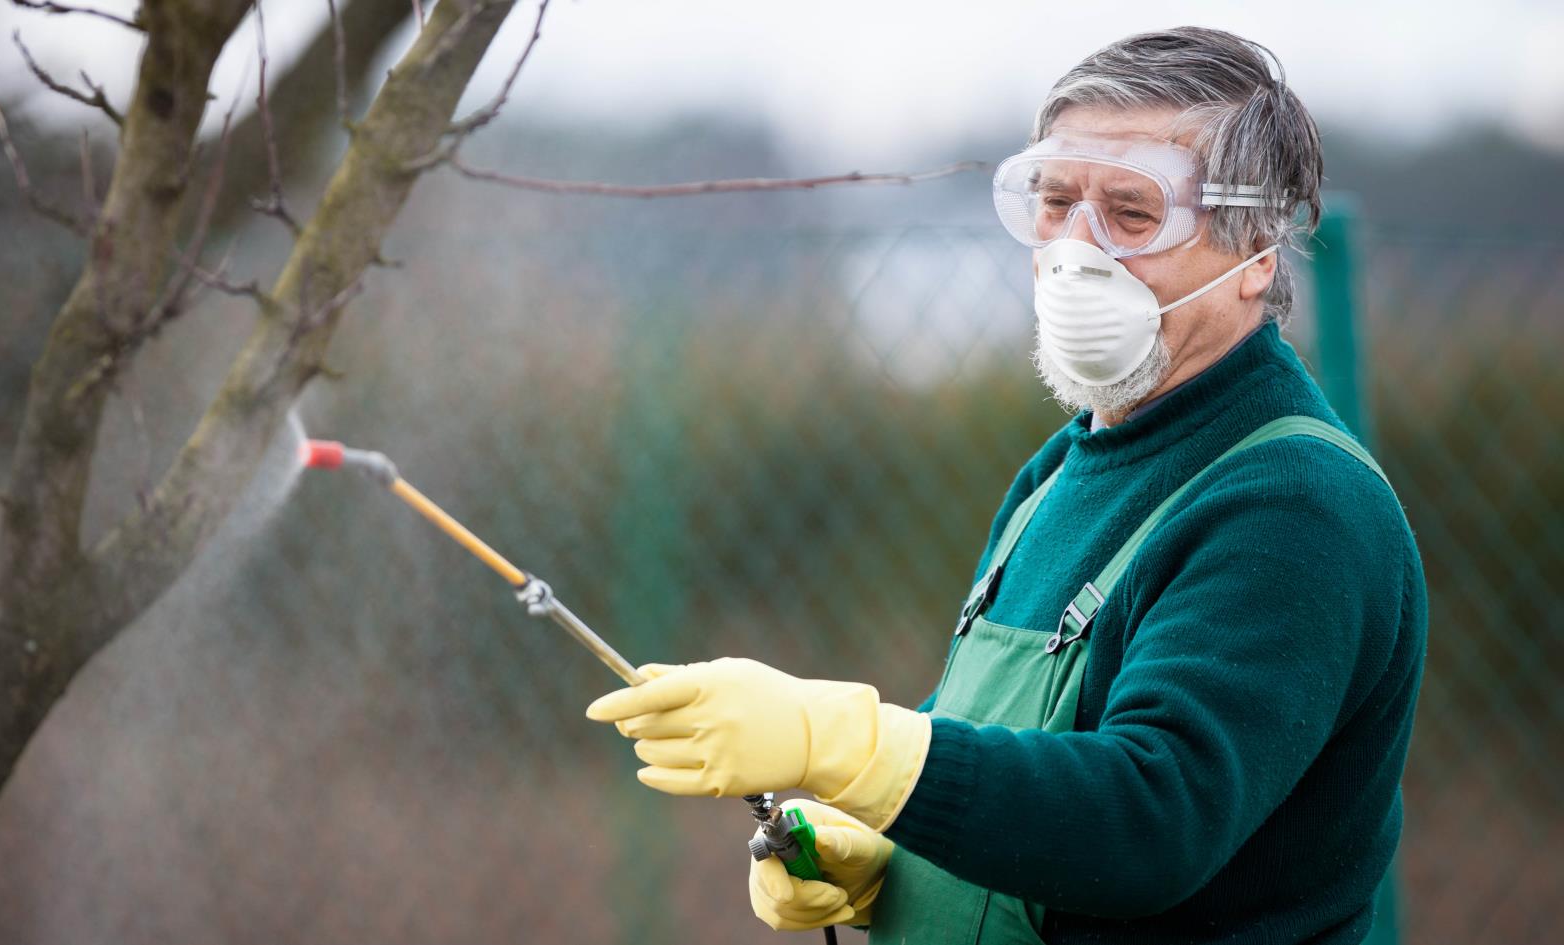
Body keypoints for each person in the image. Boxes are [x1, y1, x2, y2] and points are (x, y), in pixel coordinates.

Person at [586, 26, 1427, 945]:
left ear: (1257, 252)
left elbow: (1148, 820)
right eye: (1055, 201)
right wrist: (889, 857)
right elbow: (998, 763)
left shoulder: (1292, 506)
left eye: (1132, 214)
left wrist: (841, 740)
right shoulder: (1061, 471)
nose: (1076, 250)